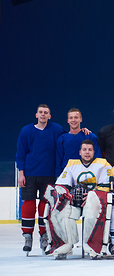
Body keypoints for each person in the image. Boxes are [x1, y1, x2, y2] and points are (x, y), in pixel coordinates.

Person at [43, 139, 112, 259]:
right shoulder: (72, 164)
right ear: (80, 152)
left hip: (94, 202)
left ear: (94, 152)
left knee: (92, 202)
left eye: (90, 150)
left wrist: (91, 195)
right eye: (84, 150)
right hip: (74, 202)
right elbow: (61, 186)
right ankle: (64, 244)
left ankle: (93, 245)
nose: (87, 152)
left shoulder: (103, 164)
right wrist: (66, 196)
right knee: (60, 204)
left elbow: (106, 186)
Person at [16, 104, 65, 254]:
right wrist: (21, 173)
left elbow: (68, 138)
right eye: (41, 112)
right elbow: (20, 153)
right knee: (29, 205)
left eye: (46, 113)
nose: (43, 115)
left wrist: (84, 132)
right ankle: (27, 236)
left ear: (50, 116)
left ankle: (44, 236)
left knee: (45, 206)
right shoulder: (26, 131)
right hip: (30, 174)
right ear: (36, 115)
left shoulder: (56, 129)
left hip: (49, 175)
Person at [56, 108, 101, 176]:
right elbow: (58, 161)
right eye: (71, 118)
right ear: (68, 121)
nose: (73, 120)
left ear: (81, 119)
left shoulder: (91, 137)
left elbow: (98, 159)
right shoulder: (62, 139)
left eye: (76, 117)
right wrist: (58, 177)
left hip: (88, 175)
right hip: (67, 176)